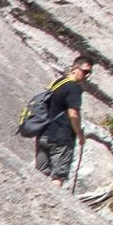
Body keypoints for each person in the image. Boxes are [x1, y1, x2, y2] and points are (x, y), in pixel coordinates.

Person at [29, 56, 94, 192]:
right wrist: (80, 134)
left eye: (89, 73)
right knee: (58, 176)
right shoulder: (74, 88)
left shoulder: (57, 82)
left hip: (44, 135)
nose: (87, 76)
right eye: (85, 72)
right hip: (61, 138)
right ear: (75, 69)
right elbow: (73, 114)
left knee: (39, 174)